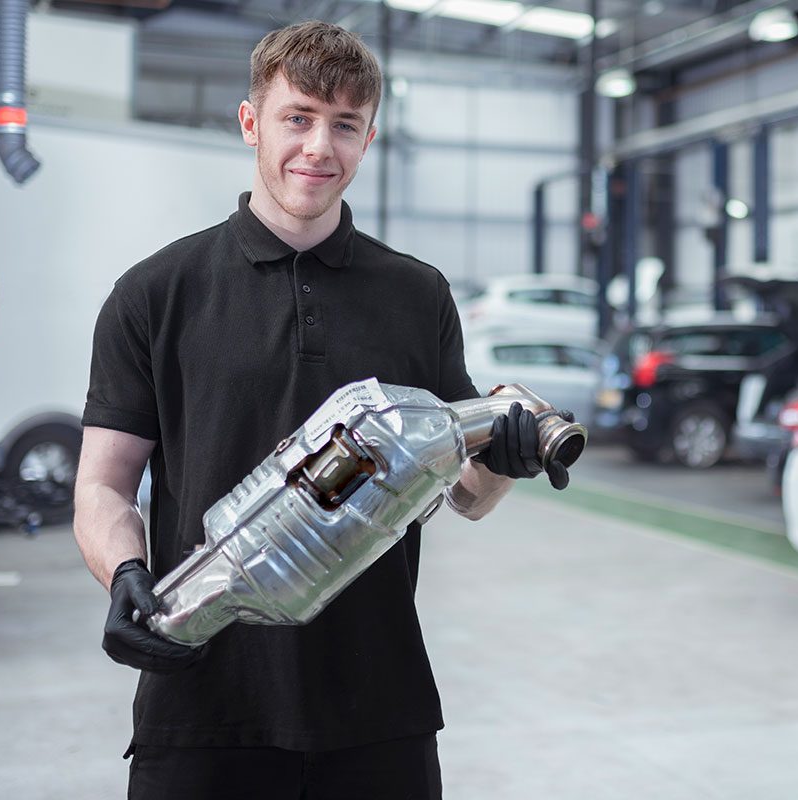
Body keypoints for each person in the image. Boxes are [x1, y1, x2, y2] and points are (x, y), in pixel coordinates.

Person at [73, 20, 571, 800]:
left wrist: (502, 465)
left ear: (368, 139)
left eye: (344, 125)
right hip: (204, 707)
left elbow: (464, 496)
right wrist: (124, 575)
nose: (319, 147)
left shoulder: (417, 294)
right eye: (297, 117)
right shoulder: (156, 293)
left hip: (379, 709)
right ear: (251, 123)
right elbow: (103, 485)